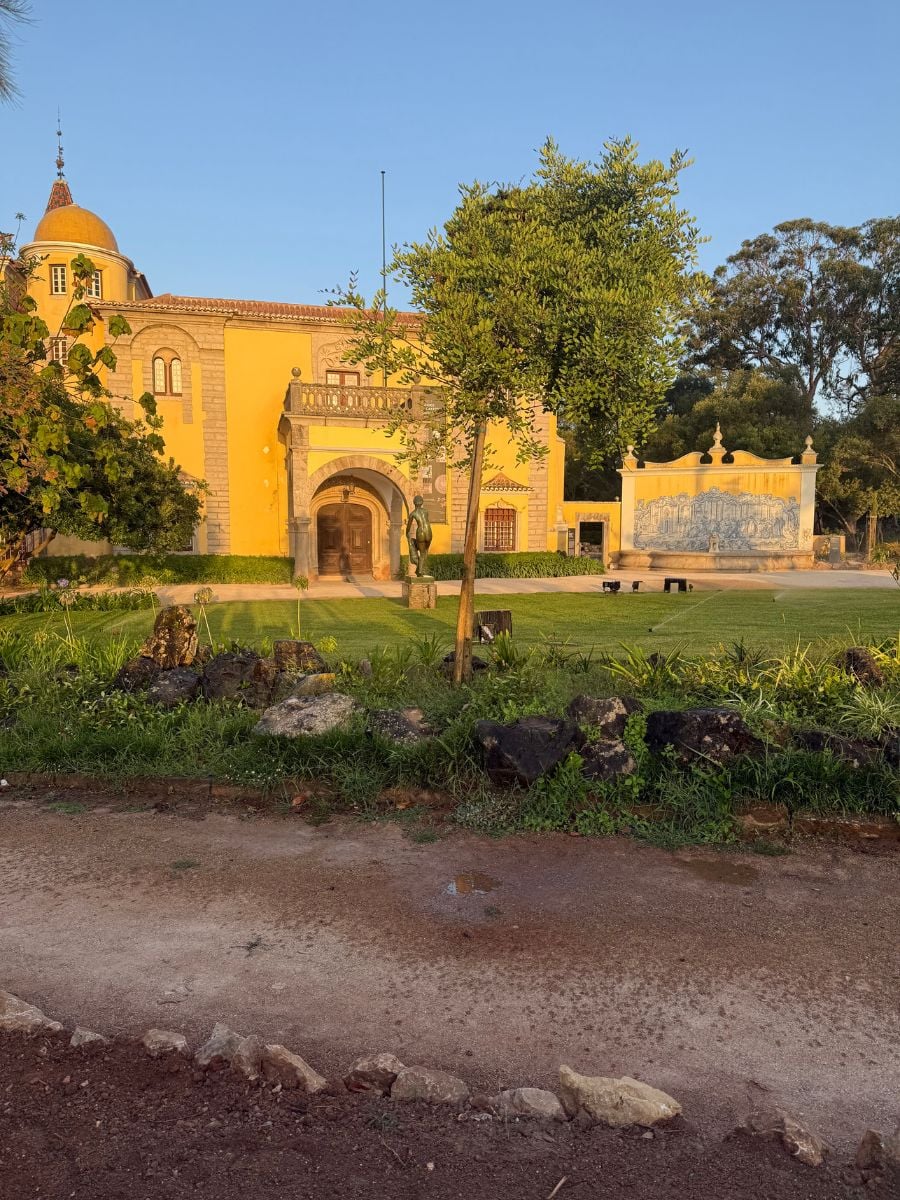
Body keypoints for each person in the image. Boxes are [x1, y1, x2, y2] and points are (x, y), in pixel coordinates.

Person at [406, 495, 433, 578]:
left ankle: (420, 571)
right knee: (425, 552)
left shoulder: (413, 514)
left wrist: (407, 534)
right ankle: (419, 570)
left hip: (420, 532)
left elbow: (408, 527)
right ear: (422, 503)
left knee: (422, 553)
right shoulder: (426, 511)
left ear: (414, 503)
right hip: (428, 531)